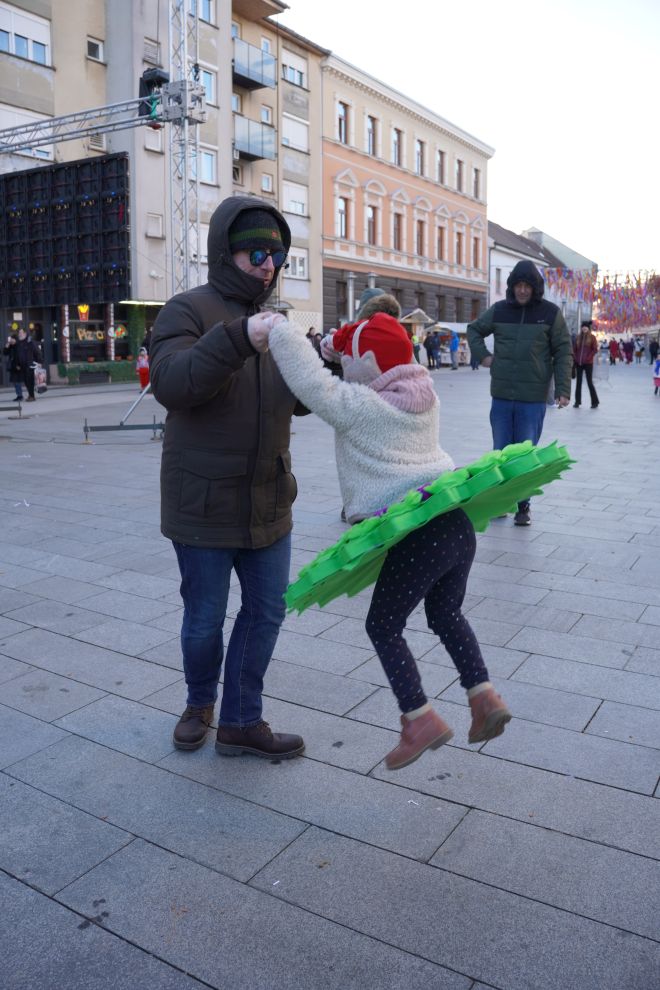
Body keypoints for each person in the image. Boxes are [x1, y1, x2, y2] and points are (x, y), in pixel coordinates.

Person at [263, 309, 511, 771]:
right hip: (453, 520)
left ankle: (418, 718)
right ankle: (483, 696)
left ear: (368, 366)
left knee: (383, 625)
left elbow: (313, 385)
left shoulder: (361, 407)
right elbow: (368, 357)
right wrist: (341, 345)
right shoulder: (426, 396)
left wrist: (281, 331)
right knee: (445, 612)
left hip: (417, 533)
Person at [149, 197, 305, 760]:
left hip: (269, 499)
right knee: (204, 619)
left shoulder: (280, 320)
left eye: (277, 256)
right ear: (226, 252)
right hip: (204, 502)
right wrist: (240, 337)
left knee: (265, 614)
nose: (268, 266)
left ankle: (242, 720)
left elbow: (301, 398)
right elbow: (174, 383)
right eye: (256, 253)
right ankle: (199, 704)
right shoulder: (185, 310)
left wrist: (334, 364)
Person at [467, 260, 571, 527]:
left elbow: (562, 351)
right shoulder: (500, 310)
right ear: (512, 287)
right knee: (500, 452)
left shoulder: (550, 313)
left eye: (527, 286)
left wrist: (562, 390)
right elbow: (474, 330)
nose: (522, 291)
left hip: (532, 397)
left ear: (535, 288)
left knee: (524, 454)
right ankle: (501, 502)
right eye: (518, 286)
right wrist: (484, 356)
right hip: (501, 394)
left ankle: (523, 507)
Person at [3, 328, 42, 402]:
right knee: (26, 381)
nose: (19, 334)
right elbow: (9, 353)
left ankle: (31, 396)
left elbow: (37, 352)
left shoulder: (29, 342)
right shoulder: (18, 343)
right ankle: (29, 395)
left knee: (29, 381)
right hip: (21, 365)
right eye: (19, 333)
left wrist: (39, 362)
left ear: (25, 333)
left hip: (28, 364)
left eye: (21, 333)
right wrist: (8, 344)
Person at [572, 322, 600, 409]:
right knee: (578, 383)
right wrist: (575, 358)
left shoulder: (592, 337)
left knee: (589, 382)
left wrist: (588, 358)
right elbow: (574, 349)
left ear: (588, 328)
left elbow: (595, 349)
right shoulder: (578, 337)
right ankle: (577, 401)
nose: (584, 328)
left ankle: (595, 402)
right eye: (583, 327)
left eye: (586, 327)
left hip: (588, 363)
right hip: (579, 363)